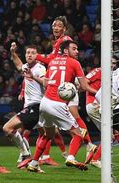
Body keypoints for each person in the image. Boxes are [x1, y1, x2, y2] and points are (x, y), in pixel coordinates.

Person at [27, 40, 97, 173]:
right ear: (66, 51)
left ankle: (34, 163)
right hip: (58, 104)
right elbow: (85, 86)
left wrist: (33, 77)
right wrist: (99, 93)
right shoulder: (75, 63)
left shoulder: (53, 62)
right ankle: (71, 157)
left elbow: (46, 84)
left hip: (45, 102)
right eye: (74, 49)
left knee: (48, 135)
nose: (77, 51)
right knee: (79, 134)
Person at [36, 16, 97, 162]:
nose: (56, 28)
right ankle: (47, 156)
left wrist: (35, 56)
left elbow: (51, 59)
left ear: (64, 28)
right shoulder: (58, 41)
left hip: (66, 83)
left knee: (72, 117)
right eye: (54, 26)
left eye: (59, 26)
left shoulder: (64, 41)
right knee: (58, 121)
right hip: (62, 82)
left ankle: (87, 144)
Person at [3, 42, 46, 167]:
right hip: (31, 107)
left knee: (7, 128)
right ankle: (34, 163)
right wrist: (12, 53)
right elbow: (18, 64)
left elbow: (45, 82)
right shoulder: (26, 67)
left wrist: (33, 77)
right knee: (44, 134)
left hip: (36, 106)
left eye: (33, 53)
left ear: (37, 55)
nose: (30, 55)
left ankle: (26, 155)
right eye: (28, 53)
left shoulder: (40, 68)